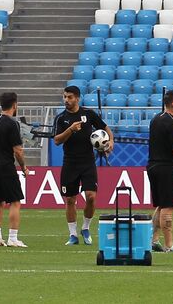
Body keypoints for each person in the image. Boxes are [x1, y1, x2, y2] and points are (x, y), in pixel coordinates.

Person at [53, 84, 111, 245]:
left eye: (70, 97)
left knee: (91, 197)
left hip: (87, 162)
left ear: (77, 98)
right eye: (64, 97)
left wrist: (110, 141)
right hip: (70, 163)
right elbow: (57, 140)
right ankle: (73, 235)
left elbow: (105, 128)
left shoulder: (88, 114)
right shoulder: (61, 118)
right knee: (70, 199)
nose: (66, 100)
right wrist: (70, 130)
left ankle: (85, 228)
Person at [0, 91, 30, 248]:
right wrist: (23, 167)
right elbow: (18, 150)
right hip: (6, 167)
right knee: (15, 202)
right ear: (15, 105)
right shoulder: (12, 124)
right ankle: (13, 238)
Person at [147, 89, 173, 253]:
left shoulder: (155, 119)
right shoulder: (172, 122)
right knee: (168, 207)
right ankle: (169, 245)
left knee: (160, 205)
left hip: (152, 166)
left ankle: (153, 240)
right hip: (165, 167)